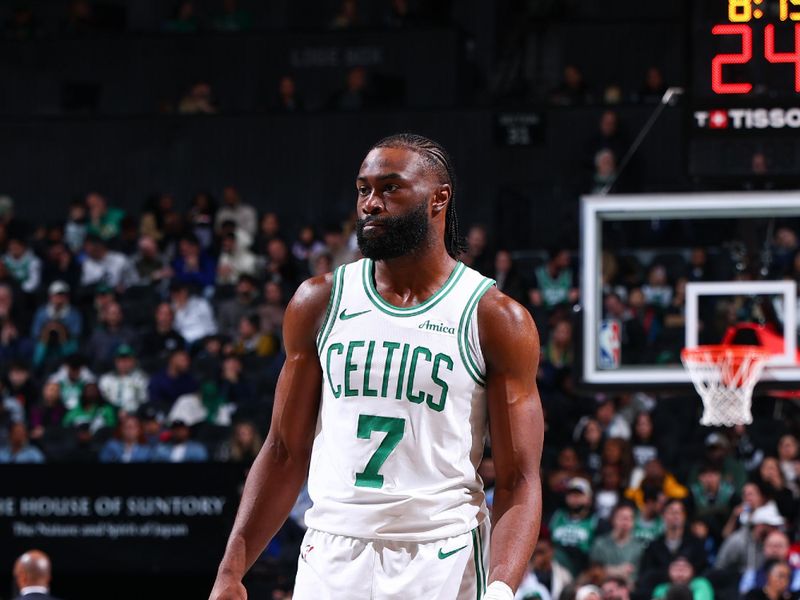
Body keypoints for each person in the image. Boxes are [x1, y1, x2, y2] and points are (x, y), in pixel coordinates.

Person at [210, 133, 544, 600]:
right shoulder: (319, 301)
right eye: (363, 189)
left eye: (390, 188)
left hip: (441, 558)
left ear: (438, 198)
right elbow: (284, 451)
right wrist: (230, 572)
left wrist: (503, 588)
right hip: (331, 553)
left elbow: (519, 479)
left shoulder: (494, 316)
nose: (371, 203)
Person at [589, 503, 646, 584]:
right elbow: (593, 570)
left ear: (634, 522)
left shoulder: (639, 547)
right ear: (613, 519)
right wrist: (616, 571)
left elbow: (638, 575)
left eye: (629, 518)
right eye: (622, 518)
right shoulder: (600, 543)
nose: (625, 522)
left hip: (628, 588)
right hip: (602, 585)